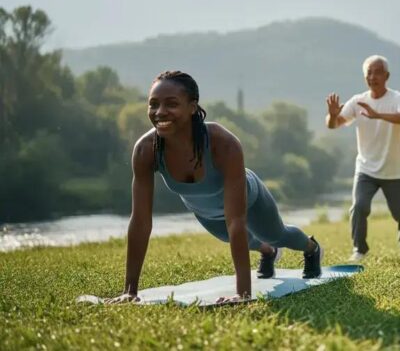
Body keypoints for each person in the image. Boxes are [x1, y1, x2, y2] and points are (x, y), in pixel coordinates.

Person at [107, 71, 322, 305]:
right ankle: (267, 252)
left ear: (192, 107)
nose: (160, 112)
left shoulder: (223, 143)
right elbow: (140, 221)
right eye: (153, 104)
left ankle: (311, 248)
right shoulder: (146, 150)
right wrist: (130, 290)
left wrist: (243, 293)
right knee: (241, 240)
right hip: (206, 212)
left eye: (171, 104)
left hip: (249, 198)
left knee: (275, 234)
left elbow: (236, 220)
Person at [325, 55, 400, 261]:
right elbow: (334, 124)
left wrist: (378, 115)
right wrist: (332, 115)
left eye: (377, 72)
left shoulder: (397, 98)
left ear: (387, 76)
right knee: (359, 207)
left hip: (395, 170)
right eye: (369, 73)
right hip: (366, 168)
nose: (372, 77)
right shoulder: (358, 101)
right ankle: (360, 250)